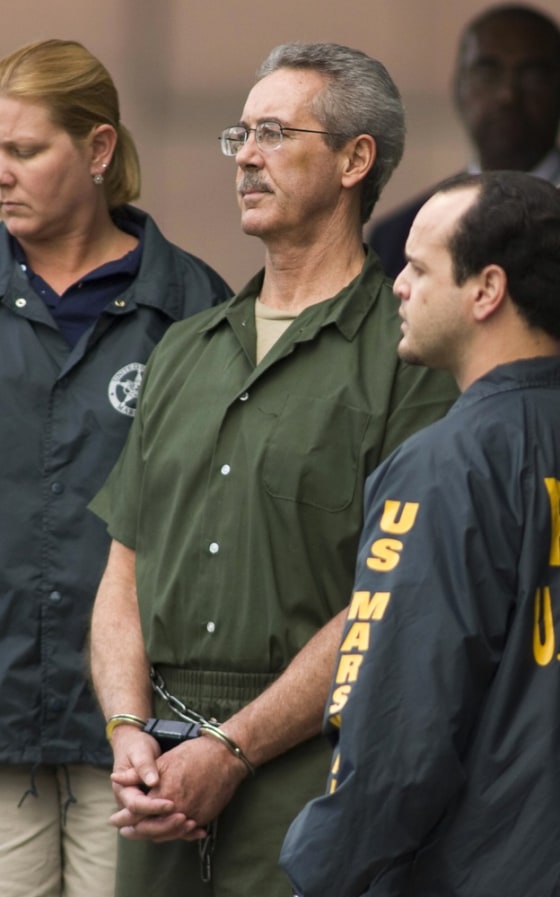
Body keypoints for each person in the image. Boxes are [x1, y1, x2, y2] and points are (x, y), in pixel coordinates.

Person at [89, 42, 458, 897]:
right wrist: (126, 729)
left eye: (274, 133)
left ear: (354, 161)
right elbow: (123, 571)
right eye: (238, 136)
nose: (246, 156)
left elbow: (387, 595)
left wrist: (234, 746)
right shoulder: (184, 349)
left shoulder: (409, 358)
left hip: (316, 769)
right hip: (155, 773)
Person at [280, 170, 560, 896]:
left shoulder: (443, 467)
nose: (397, 285)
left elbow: (398, 724)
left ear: (486, 289)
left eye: (417, 266)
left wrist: (322, 868)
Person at [0, 38, 231, 897]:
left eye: (25, 151)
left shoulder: (197, 308)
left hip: (136, 734)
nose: (3, 172)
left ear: (98, 151)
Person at [369, 3, 560, 278]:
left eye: (533, 74)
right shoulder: (396, 238)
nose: (508, 94)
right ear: (458, 87)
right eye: (487, 71)